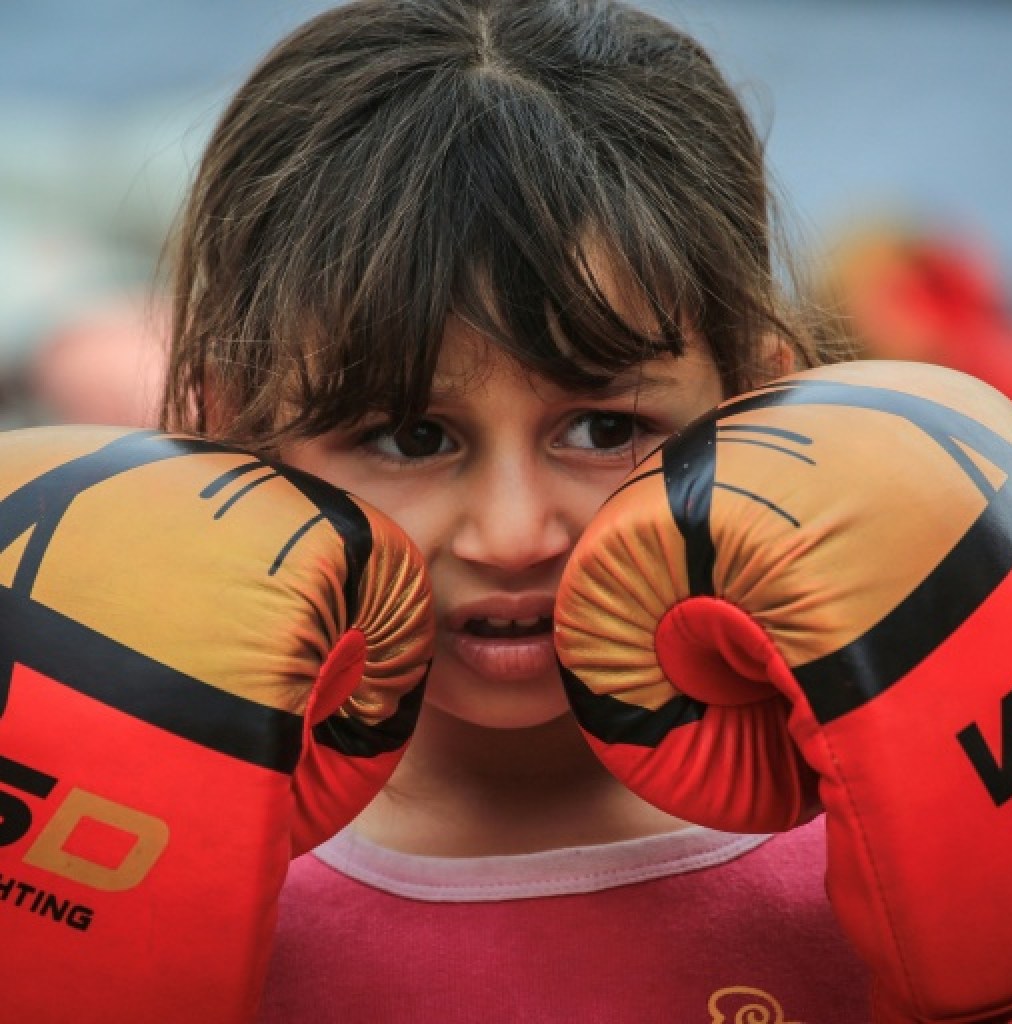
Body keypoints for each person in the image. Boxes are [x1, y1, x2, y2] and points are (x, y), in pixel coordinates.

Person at [160, 1, 869, 1020]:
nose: (513, 535)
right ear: (234, 440)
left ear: (759, 404)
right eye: (409, 437)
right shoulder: (136, 857)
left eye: (601, 428)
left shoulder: (898, 807)